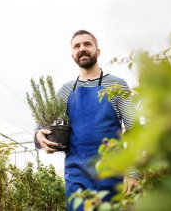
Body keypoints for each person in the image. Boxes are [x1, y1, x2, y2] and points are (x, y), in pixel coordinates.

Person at [34, 30, 140, 209]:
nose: (82, 49)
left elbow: (135, 129)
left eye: (87, 44)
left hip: (113, 175)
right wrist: (38, 135)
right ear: (73, 55)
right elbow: (43, 124)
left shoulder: (117, 85)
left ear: (97, 51)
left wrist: (134, 173)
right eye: (77, 46)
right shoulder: (65, 92)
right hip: (77, 177)